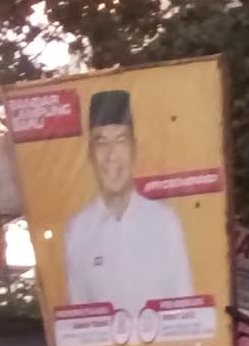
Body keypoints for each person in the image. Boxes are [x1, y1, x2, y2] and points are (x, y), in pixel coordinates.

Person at [62, 89, 195, 321]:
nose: (112, 155)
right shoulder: (78, 229)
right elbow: (80, 318)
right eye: (101, 143)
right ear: (90, 155)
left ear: (134, 148)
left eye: (121, 140)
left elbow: (185, 309)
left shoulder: (164, 223)